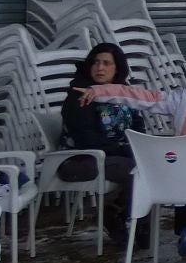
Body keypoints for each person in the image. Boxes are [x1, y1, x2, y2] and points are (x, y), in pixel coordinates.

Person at [76, 56, 186, 260]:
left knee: (183, 173)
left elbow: (139, 97)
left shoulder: (184, 98)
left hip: (182, 179)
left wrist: (97, 91)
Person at [59, 42, 143, 245]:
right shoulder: (80, 94)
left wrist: (142, 146)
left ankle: (120, 214)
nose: (100, 68)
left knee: (153, 164)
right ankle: (131, 223)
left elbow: (138, 124)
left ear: (117, 68)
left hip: (116, 155)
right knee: (138, 170)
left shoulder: (123, 92)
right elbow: (86, 138)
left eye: (107, 63)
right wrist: (125, 149)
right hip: (80, 158)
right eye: (96, 62)